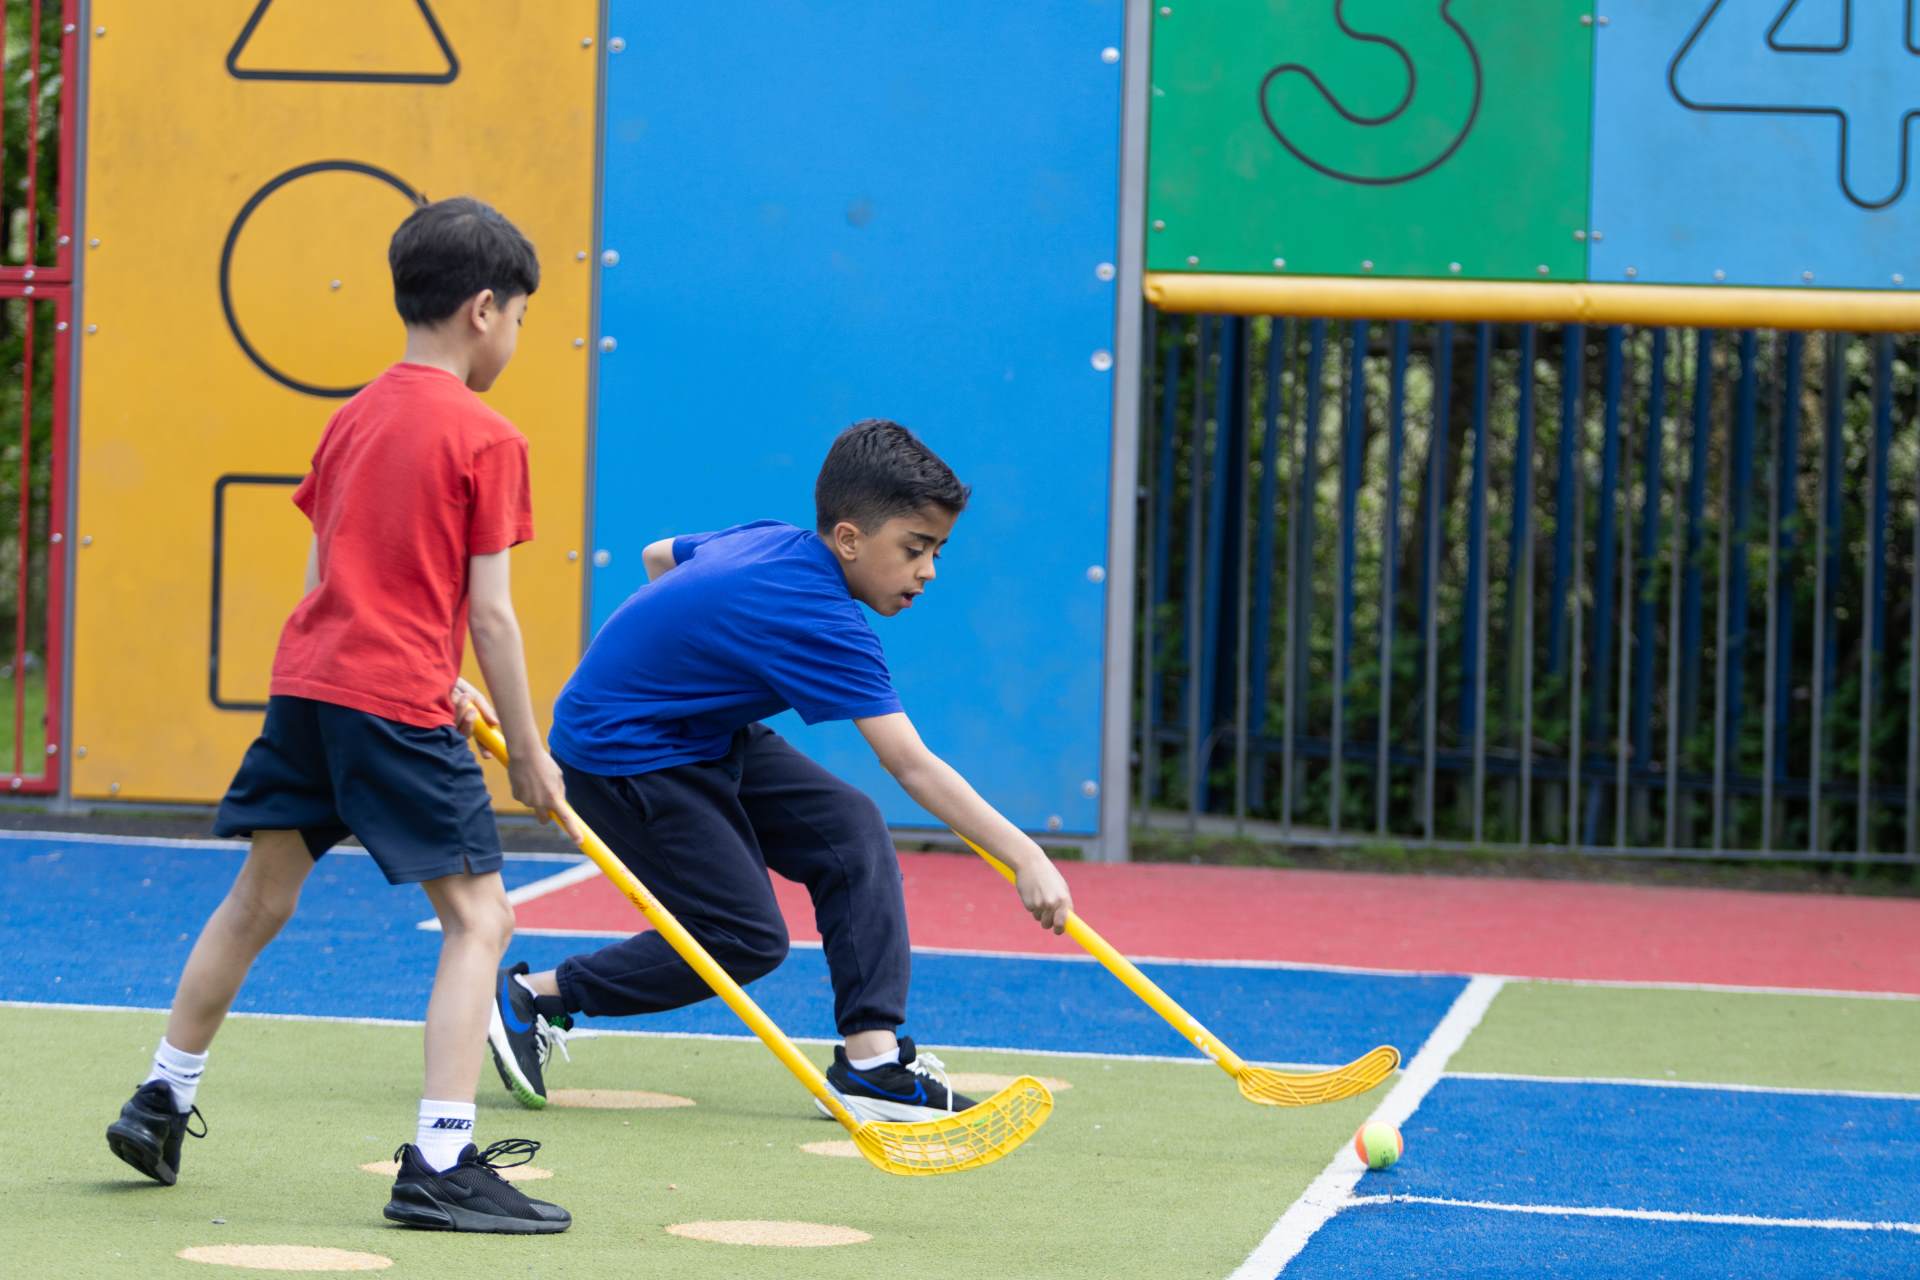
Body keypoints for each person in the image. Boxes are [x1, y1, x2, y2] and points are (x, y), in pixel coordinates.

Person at [105, 196, 580, 1234]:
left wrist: (432, 667)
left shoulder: (352, 416)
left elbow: (332, 576)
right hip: (391, 701)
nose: (516, 336)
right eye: (520, 318)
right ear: (485, 310)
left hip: (311, 685)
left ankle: (161, 1095)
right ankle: (442, 1161)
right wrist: (530, 754)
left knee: (259, 897)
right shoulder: (489, 436)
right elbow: (492, 615)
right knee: (482, 919)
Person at [480, 419, 1074, 1121]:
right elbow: (910, 765)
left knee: (850, 828)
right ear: (848, 538)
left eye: (937, 551)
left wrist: (693, 664)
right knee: (743, 938)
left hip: (697, 729)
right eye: (914, 549)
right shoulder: (822, 620)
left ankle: (873, 1065)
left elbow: (658, 556)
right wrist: (1025, 857)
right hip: (625, 754)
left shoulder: (774, 538)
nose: (929, 571)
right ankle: (535, 996)